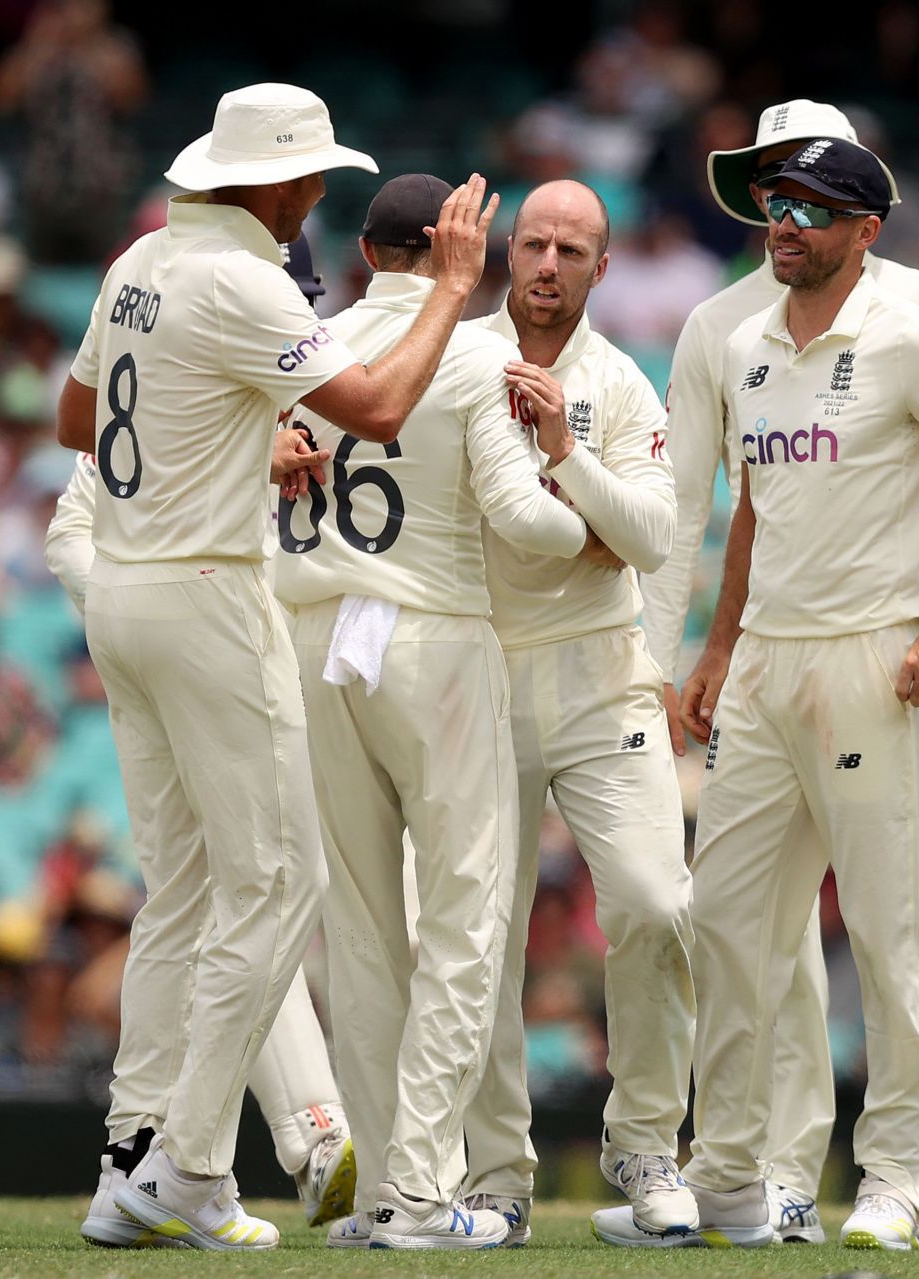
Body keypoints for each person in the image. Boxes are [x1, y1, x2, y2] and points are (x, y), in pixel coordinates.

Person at [54, 83, 497, 1251]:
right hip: (205, 595)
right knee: (279, 886)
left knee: (195, 889)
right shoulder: (243, 276)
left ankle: (129, 1162)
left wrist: (239, 440)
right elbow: (383, 406)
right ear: (266, 181)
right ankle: (187, 1168)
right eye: (307, 178)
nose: (313, 200)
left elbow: (73, 419)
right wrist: (451, 288)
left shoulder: (140, 263)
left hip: (126, 591)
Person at [637, 100, 919, 1246]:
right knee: (734, 929)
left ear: (864, 226)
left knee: (901, 928)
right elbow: (740, 509)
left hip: (880, 654)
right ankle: (736, 1174)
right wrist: (711, 649)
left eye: (803, 204)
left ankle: (908, 1172)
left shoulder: (914, 318)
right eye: (769, 196)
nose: (777, 218)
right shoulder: (735, 338)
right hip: (766, 668)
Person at [273, 175, 589, 1249]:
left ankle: (377, 1200)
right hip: (437, 637)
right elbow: (523, 521)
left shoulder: (309, 345)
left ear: (365, 250)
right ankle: (416, 1189)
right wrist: (580, 508)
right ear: (462, 249)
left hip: (320, 640)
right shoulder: (462, 350)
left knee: (360, 934)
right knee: (462, 923)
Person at [44, 232, 360, 1233]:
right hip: (200, 670)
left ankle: (141, 1153)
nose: (295, 325)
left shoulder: (318, 404)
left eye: (303, 306)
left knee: (217, 903)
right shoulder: (186, 394)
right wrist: (171, 622)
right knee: (251, 895)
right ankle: (283, 1144)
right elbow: (72, 531)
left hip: (291, 682)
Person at [451, 179, 697, 1247]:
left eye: (572, 250)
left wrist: (562, 451)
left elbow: (650, 536)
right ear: (510, 252)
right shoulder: (456, 358)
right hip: (483, 672)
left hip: (603, 673)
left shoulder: (621, 384)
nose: (548, 264)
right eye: (534, 243)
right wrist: (585, 526)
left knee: (654, 902)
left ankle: (644, 1144)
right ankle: (497, 1173)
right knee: (482, 937)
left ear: (603, 268)